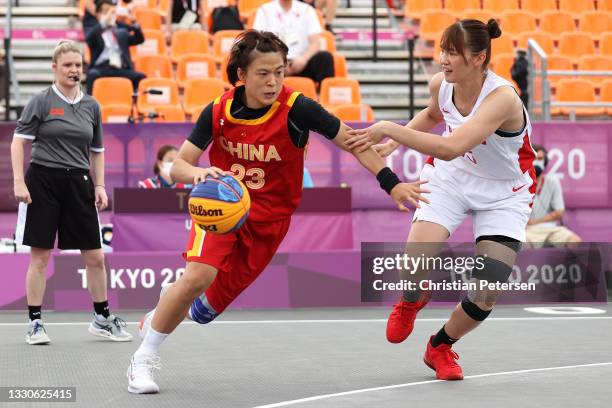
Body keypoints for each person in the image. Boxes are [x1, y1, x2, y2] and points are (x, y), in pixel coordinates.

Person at [126, 30, 428, 394]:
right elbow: (178, 167)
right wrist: (200, 173)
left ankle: (166, 303)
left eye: (279, 72)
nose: (273, 81)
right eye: (263, 73)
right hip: (221, 208)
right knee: (198, 276)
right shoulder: (219, 112)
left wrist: (391, 182)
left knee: (203, 312)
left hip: (269, 223)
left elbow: (353, 143)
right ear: (241, 75)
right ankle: (143, 358)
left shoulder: (298, 108)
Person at [345, 19, 536, 380]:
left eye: (453, 53)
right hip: (452, 180)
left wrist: (387, 127)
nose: (443, 60)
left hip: (503, 193)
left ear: (479, 58)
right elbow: (435, 114)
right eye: (443, 51)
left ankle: (441, 346)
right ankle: (412, 299)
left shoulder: (502, 98)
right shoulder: (442, 84)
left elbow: (449, 146)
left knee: (487, 291)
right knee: (416, 257)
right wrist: (394, 143)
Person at [10, 40, 132, 345]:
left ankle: (101, 318)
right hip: (43, 182)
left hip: (79, 183)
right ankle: (35, 323)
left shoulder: (92, 106)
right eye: (68, 65)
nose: (74, 70)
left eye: (78, 65)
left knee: (95, 257)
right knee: (40, 257)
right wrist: (18, 182)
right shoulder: (40, 101)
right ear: (55, 68)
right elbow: (18, 143)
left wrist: (100, 185)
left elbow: (98, 151)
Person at [253, 0, 335, 84]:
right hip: (273, 63)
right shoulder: (264, 11)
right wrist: (279, 63)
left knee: (325, 58)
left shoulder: (307, 10)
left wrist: (303, 59)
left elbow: (315, 42)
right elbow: (258, 42)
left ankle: (323, 95)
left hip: (301, 62)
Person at [83, 0, 146, 94]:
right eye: (106, 11)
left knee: (140, 77)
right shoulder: (94, 29)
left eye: (112, 12)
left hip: (121, 68)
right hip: (101, 67)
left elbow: (139, 39)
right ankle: (89, 106)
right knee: (92, 75)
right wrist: (104, 23)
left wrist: (134, 23)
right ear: (98, 14)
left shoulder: (120, 28)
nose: (109, 15)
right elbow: (89, 38)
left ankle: (135, 105)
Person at [525, 144, 582, 248]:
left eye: (540, 159)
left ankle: (566, 264)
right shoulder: (521, 183)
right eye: (533, 158)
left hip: (552, 229)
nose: (536, 162)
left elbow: (559, 213)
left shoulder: (553, 182)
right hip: (529, 231)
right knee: (522, 245)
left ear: (545, 162)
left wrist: (535, 222)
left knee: (575, 240)